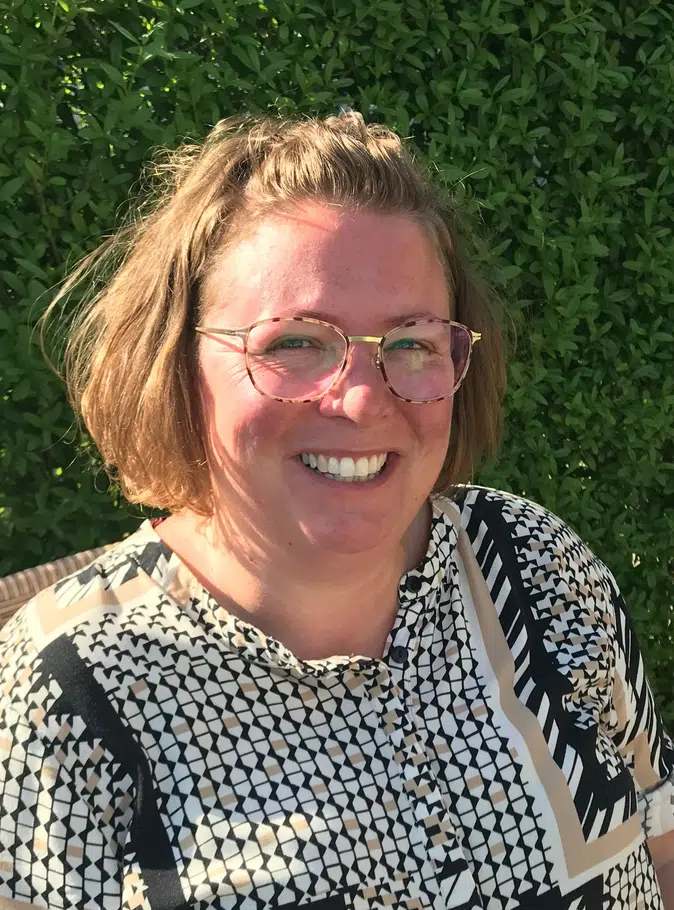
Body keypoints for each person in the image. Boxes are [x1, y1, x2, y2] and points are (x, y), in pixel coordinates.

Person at [0, 112, 672, 910]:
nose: (359, 400)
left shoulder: (533, 564)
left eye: (411, 342)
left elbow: (661, 843)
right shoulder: (68, 690)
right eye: (293, 343)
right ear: (176, 362)